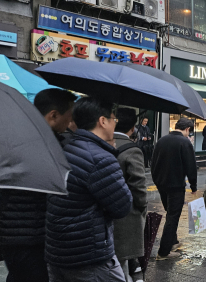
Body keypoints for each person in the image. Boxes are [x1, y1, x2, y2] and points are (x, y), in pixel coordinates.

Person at [45, 97, 132, 281]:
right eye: (113, 120)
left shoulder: (66, 148)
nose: (114, 125)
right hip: (89, 255)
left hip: (58, 250)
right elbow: (123, 206)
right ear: (102, 121)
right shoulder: (101, 159)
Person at [0, 89, 75, 282]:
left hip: (13, 231)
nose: (71, 122)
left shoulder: (14, 134)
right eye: (69, 116)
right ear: (53, 115)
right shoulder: (40, 144)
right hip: (29, 234)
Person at [151, 117, 197, 260]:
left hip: (161, 183)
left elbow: (153, 162)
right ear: (188, 129)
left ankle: (173, 240)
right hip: (176, 184)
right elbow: (191, 166)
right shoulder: (185, 142)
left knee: (170, 211)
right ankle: (164, 252)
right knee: (173, 215)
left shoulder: (161, 140)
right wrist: (193, 185)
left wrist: (156, 180)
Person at [112, 108, 148, 282]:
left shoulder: (102, 142)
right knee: (123, 255)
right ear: (133, 128)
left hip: (104, 209)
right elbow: (138, 185)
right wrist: (142, 207)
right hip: (127, 211)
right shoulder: (132, 150)